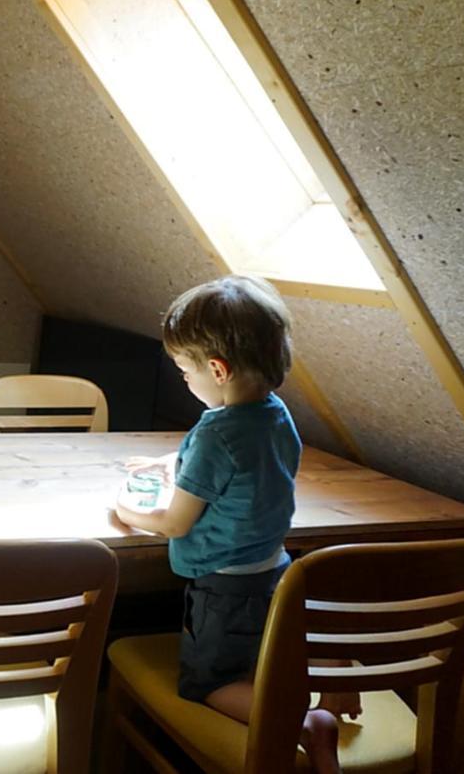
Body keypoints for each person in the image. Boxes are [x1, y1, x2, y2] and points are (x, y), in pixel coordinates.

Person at [112, 276, 350, 774]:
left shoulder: (217, 435)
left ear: (216, 369)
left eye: (183, 371)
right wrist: (170, 460)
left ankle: (306, 725)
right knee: (266, 650)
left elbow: (175, 523)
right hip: (277, 570)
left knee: (209, 683)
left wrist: (126, 511)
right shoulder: (274, 413)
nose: (183, 379)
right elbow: (237, 461)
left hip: (224, 585)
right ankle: (335, 673)